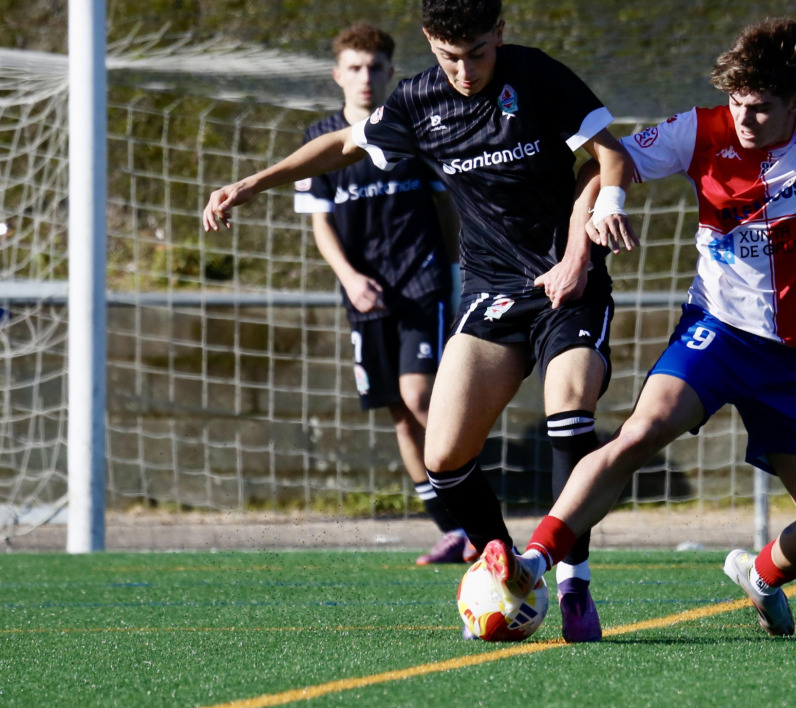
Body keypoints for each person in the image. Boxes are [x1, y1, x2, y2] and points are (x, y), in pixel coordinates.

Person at [485, 3, 796, 637]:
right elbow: (601, 167)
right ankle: (533, 561)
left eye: (761, 107)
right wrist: (591, 230)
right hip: (715, 333)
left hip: (794, 359)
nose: (743, 117)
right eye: (737, 102)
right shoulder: (699, 130)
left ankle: (761, 574)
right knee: (639, 433)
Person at [204, 0, 638, 642]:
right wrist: (251, 184)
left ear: (499, 33)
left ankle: (573, 581)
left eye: (478, 54)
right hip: (492, 290)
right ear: (431, 42)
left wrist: (589, 238)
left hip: (567, 281)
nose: (464, 71)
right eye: (448, 57)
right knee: (443, 457)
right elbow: (343, 145)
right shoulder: (417, 101)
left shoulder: (537, 75)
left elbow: (609, 157)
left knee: (568, 414)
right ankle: (501, 561)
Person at [293, 24, 471, 566]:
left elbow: (447, 206)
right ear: (337, 75)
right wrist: (350, 278)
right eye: (354, 67)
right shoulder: (319, 140)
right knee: (400, 411)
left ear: (391, 72)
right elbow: (320, 223)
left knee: (421, 397)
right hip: (365, 293)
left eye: (374, 67)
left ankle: (478, 515)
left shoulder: (413, 129)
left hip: (422, 283)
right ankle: (453, 530)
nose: (365, 77)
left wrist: (455, 272)